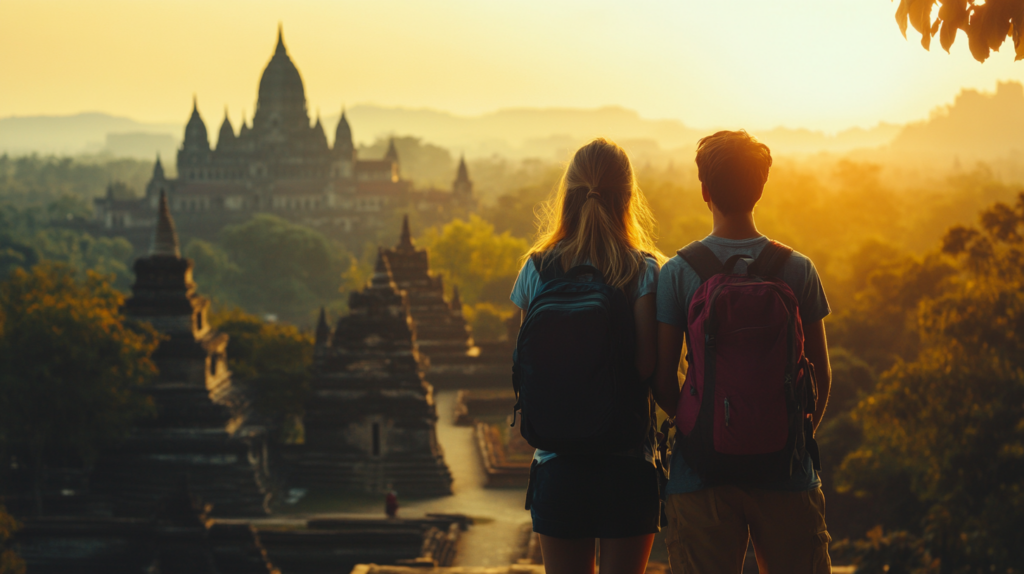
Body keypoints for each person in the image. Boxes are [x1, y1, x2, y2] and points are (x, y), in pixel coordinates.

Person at [654, 130, 833, 573]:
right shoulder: (798, 269)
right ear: (760, 188)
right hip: (785, 474)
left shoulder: (679, 273)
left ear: (704, 191)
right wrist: (789, 436)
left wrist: (702, 430)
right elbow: (822, 378)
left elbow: (661, 378)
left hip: (701, 475)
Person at [510, 138, 667, 574]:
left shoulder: (538, 268)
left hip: (556, 464)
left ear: (568, 194)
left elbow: (529, 365)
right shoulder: (644, 269)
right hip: (626, 462)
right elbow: (645, 367)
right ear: (628, 198)